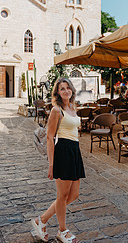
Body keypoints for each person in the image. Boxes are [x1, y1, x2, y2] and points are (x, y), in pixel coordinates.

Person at [31, 77, 85, 243]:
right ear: (57, 93)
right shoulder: (56, 110)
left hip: (74, 151)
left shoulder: (72, 107)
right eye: (62, 88)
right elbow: (49, 137)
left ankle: (42, 219)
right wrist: (51, 164)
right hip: (63, 152)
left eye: (68, 87)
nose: (66, 91)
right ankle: (62, 231)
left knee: (74, 194)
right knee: (62, 196)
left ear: (72, 90)